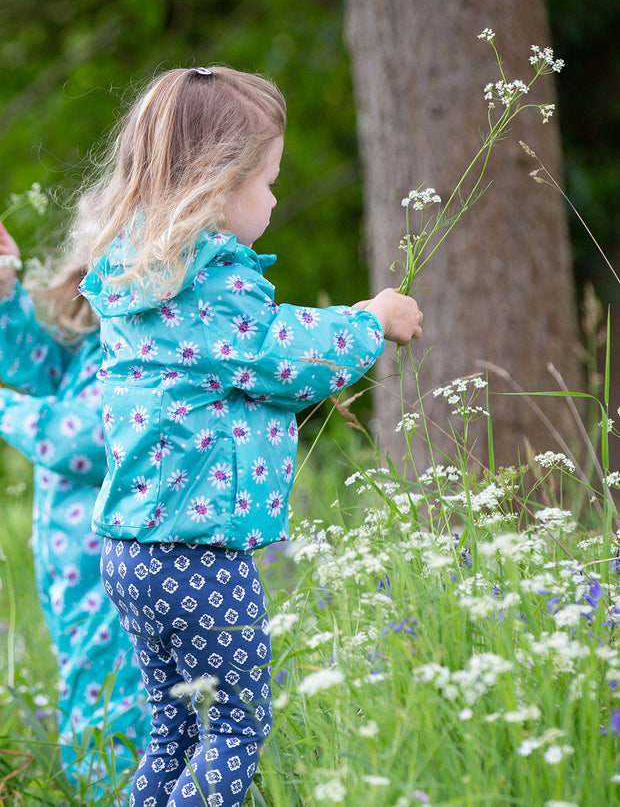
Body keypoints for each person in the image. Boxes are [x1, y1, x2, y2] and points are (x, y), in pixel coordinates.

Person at [77, 66, 423, 807]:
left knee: (172, 730)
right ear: (217, 183)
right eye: (266, 179)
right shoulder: (212, 279)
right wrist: (371, 318)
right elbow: (281, 352)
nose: (271, 196)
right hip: (199, 554)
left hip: (129, 550)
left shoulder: (136, 271)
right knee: (235, 725)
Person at [0, 221, 148, 794]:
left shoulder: (139, 346)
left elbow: (84, 440)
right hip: (69, 573)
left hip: (111, 570)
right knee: (89, 684)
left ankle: (110, 794)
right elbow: (31, 367)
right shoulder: (93, 340)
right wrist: (6, 285)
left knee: (106, 699)